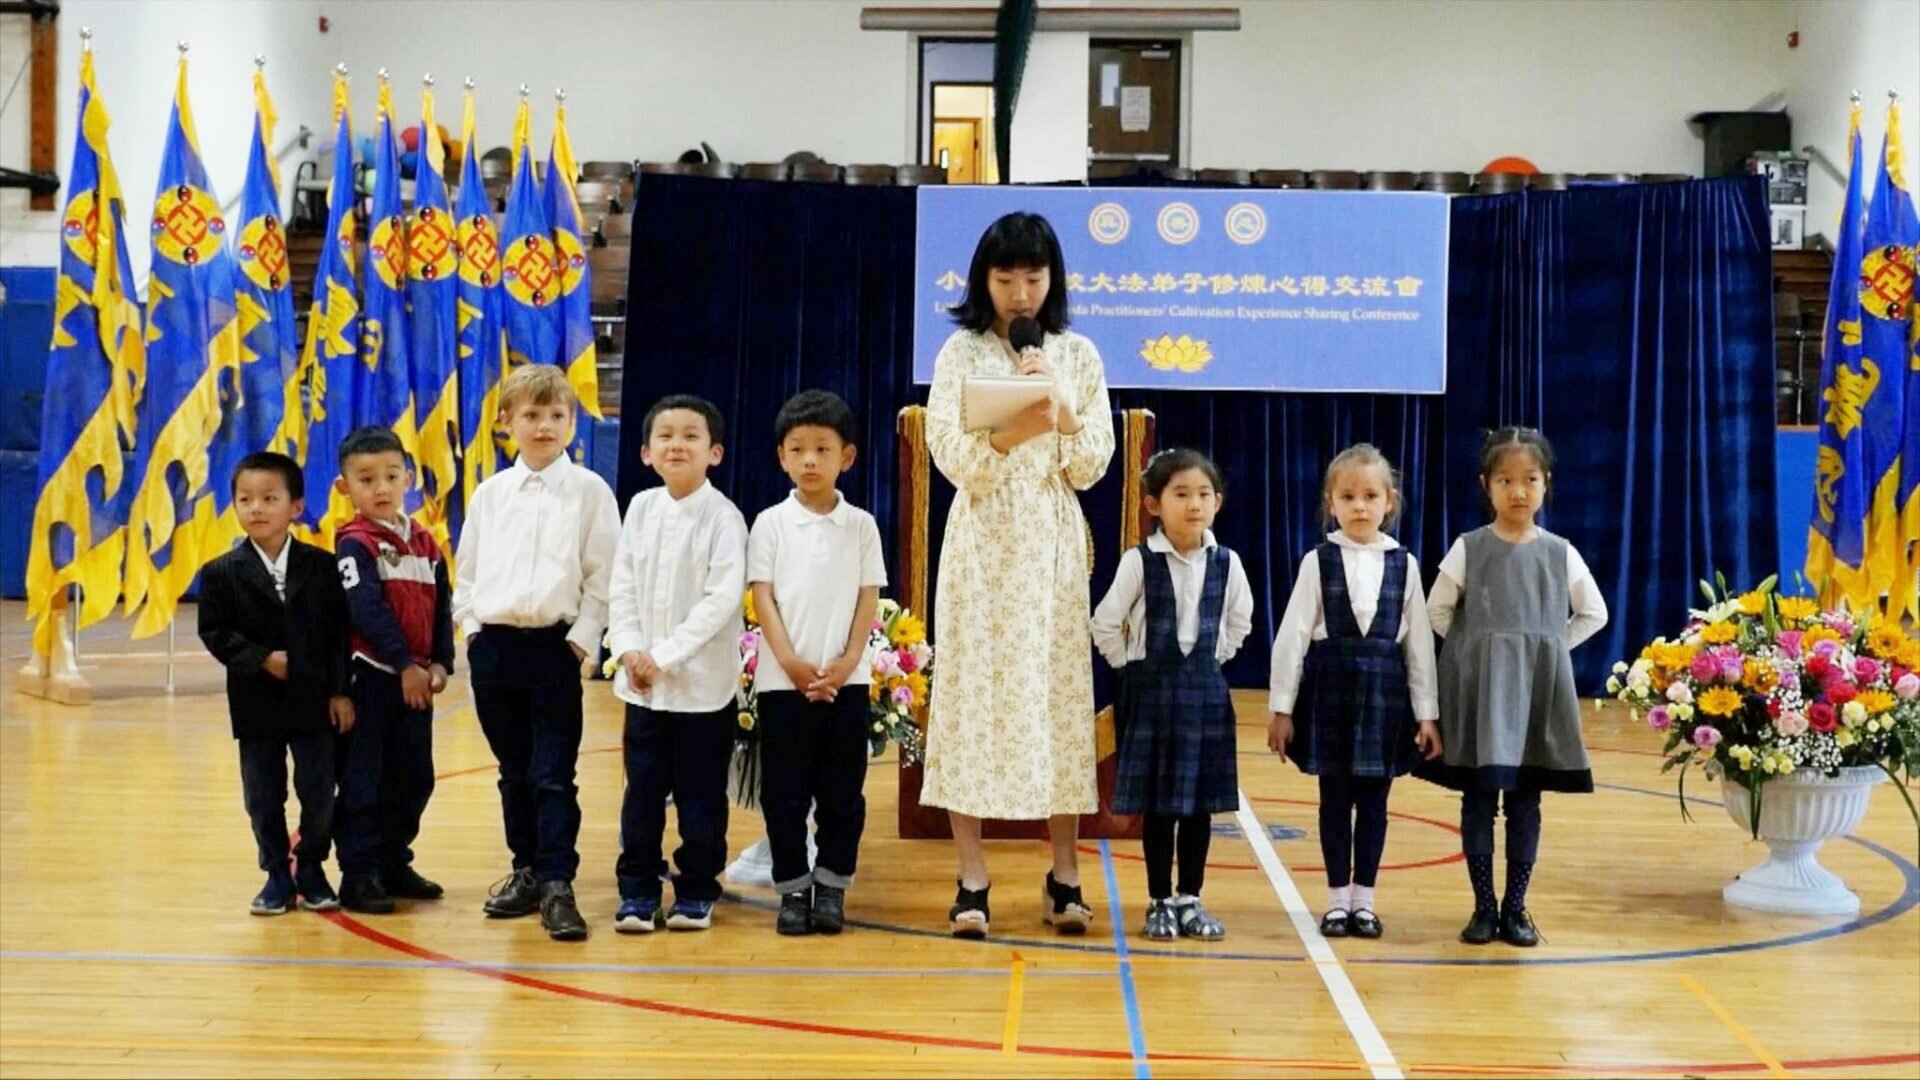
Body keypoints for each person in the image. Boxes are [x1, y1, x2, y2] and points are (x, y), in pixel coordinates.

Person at [920, 211, 1114, 938]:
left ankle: (1064, 875)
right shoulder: (960, 354)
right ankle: (972, 879)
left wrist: (1058, 409)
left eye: (1034, 277)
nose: (1021, 292)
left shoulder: (1078, 353)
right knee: (973, 699)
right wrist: (1018, 429)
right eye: (1007, 278)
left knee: (1057, 697)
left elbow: (1094, 464)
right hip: (981, 547)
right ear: (984, 280)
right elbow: (955, 459)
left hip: (1052, 547)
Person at [1418, 427, 1608, 947]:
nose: (1518, 491)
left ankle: (1516, 908)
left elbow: (1594, 613)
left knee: (1526, 801)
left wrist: (1546, 649)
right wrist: (1472, 651)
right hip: (1480, 694)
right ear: (1487, 485)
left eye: (1529, 480)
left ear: (1546, 485)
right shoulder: (1469, 548)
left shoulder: (1559, 552)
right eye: (1505, 480)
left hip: (1534, 697)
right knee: (1479, 798)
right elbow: (1436, 610)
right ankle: (1483, 907)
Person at [453, 364, 621, 941]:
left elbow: (604, 574)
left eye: (555, 415)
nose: (544, 426)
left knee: (553, 774)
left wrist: (581, 641)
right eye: (531, 415)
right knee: (513, 772)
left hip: (555, 648)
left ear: (573, 422)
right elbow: (468, 571)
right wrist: (472, 628)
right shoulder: (491, 494)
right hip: (495, 649)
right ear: (508, 423)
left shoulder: (590, 492)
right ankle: (525, 868)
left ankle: (557, 882)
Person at [1268, 443, 1442, 940]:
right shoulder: (1316, 560)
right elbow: (1292, 637)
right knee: (1333, 800)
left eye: (1371, 495)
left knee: (1374, 802)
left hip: (1386, 696)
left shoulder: (1404, 564)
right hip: (1331, 693)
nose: (1360, 506)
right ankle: (1335, 900)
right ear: (1331, 502)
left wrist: (1426, 714)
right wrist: (1282, 707)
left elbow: (1419, 647)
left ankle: (1364, 900)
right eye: (1348, 496)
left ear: (1390, 501)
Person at [1090, 449, 1252, 941]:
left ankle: (1190, 898)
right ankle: (1159, 899)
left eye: (1204, 494)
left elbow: (1240, 621)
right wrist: (1130, 668)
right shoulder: (1139, 562)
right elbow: (1104, 622)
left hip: (1204, 694)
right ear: (1154, 504)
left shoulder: (1227, 562)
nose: (1194, 504)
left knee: (1198, 806)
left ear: (1218, 503)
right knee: (1159, 806)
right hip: (1151, 695)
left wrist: (1211, 660)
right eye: (1181, 494)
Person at [747, 390, 887, 936]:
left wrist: (849, 659)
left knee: (841, 796)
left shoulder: (861, 525)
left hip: (844, 684)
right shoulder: (770, 523)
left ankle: (831, 887)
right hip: (785, 685)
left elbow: (867, 599)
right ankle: (791, 890)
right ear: (781, 456)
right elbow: (764, 599)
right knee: (783, 794)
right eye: (797, 449)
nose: (810, 460)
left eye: (822, 449)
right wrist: (791, 663)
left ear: (845, 458)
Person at [607, 395, 748, 933]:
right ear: (645, 452)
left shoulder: (724, 517)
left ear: (714, 452)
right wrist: (628, 652)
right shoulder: (640, 508)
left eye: (691, 435)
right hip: (641, 689)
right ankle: (638, 890)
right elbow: (622, 586)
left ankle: (696, 890)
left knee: (700, 797)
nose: (676, 444)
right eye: (665, 435)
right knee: (640, 794)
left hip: (700, 690)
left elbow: (720, 601)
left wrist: (660, 657)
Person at [197, 451, 354, 916]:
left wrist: (341, 690)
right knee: (263, 795)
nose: (257, 508)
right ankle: (276, 875)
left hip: (314, 701)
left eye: (269, 498)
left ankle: (312, 867)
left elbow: (338, 635)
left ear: (296, 506)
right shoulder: (221, 572)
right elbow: (215, 632)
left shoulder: (322, 568)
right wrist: (262, 659)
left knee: (318, 790)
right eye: (245, 499)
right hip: (256, 703)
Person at [332, 426, 455, 914]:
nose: (380, 488)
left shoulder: (426, 542)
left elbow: (441, 604)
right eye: (366, 479)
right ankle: (359, 874)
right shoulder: (354, 545)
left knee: (414, 776)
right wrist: (404, 663)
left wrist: (441, 661)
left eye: (390, 476)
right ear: (346, 488)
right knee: (365, 779)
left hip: (417, 681)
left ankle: (392, 860)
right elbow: (366, 610)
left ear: (408, 476)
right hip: (375, 679)